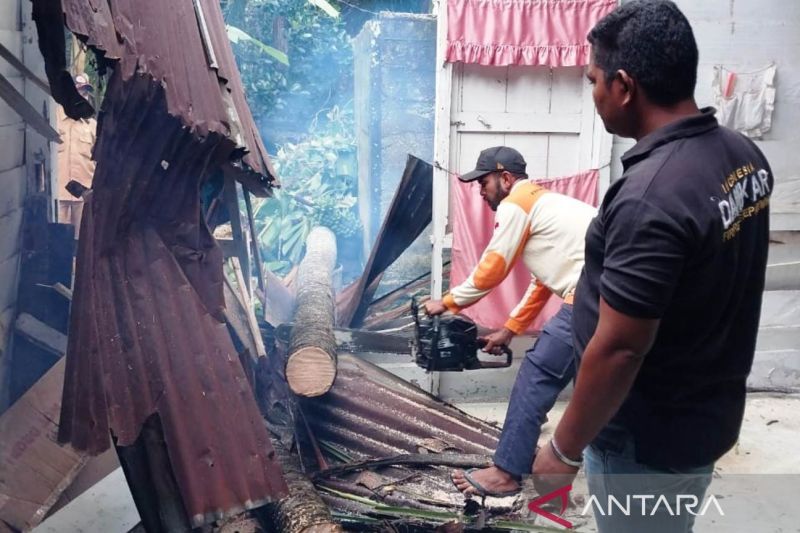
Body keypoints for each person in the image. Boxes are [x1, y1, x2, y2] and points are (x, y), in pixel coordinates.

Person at [532, 2, 773, 532]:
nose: (593, 94)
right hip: (703, 417)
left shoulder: (651, 197)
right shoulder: (742, 154)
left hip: (644, 440)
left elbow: (621, 347)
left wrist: (564, 451)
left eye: (594, 80)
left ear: (623, 86)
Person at [425, 146, 596, 497]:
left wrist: (446, 302)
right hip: (607, 292)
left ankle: (506, 472)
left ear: (505, 178)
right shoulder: (546, 205)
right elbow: (543, 282)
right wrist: (510, 329)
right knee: (597, 381)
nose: (480, 190)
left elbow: (493, 267)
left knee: (537, 375)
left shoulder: (516, 203)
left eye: (484, 182)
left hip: (593, 294)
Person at [57, 74, 97, 238]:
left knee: (82, 242)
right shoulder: (55, 119)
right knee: (58, 242)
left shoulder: (92, 126)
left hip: (83, 196)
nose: (83, 96)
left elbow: (98, 160)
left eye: (85, 93)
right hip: (58, 195)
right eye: (79, 92)